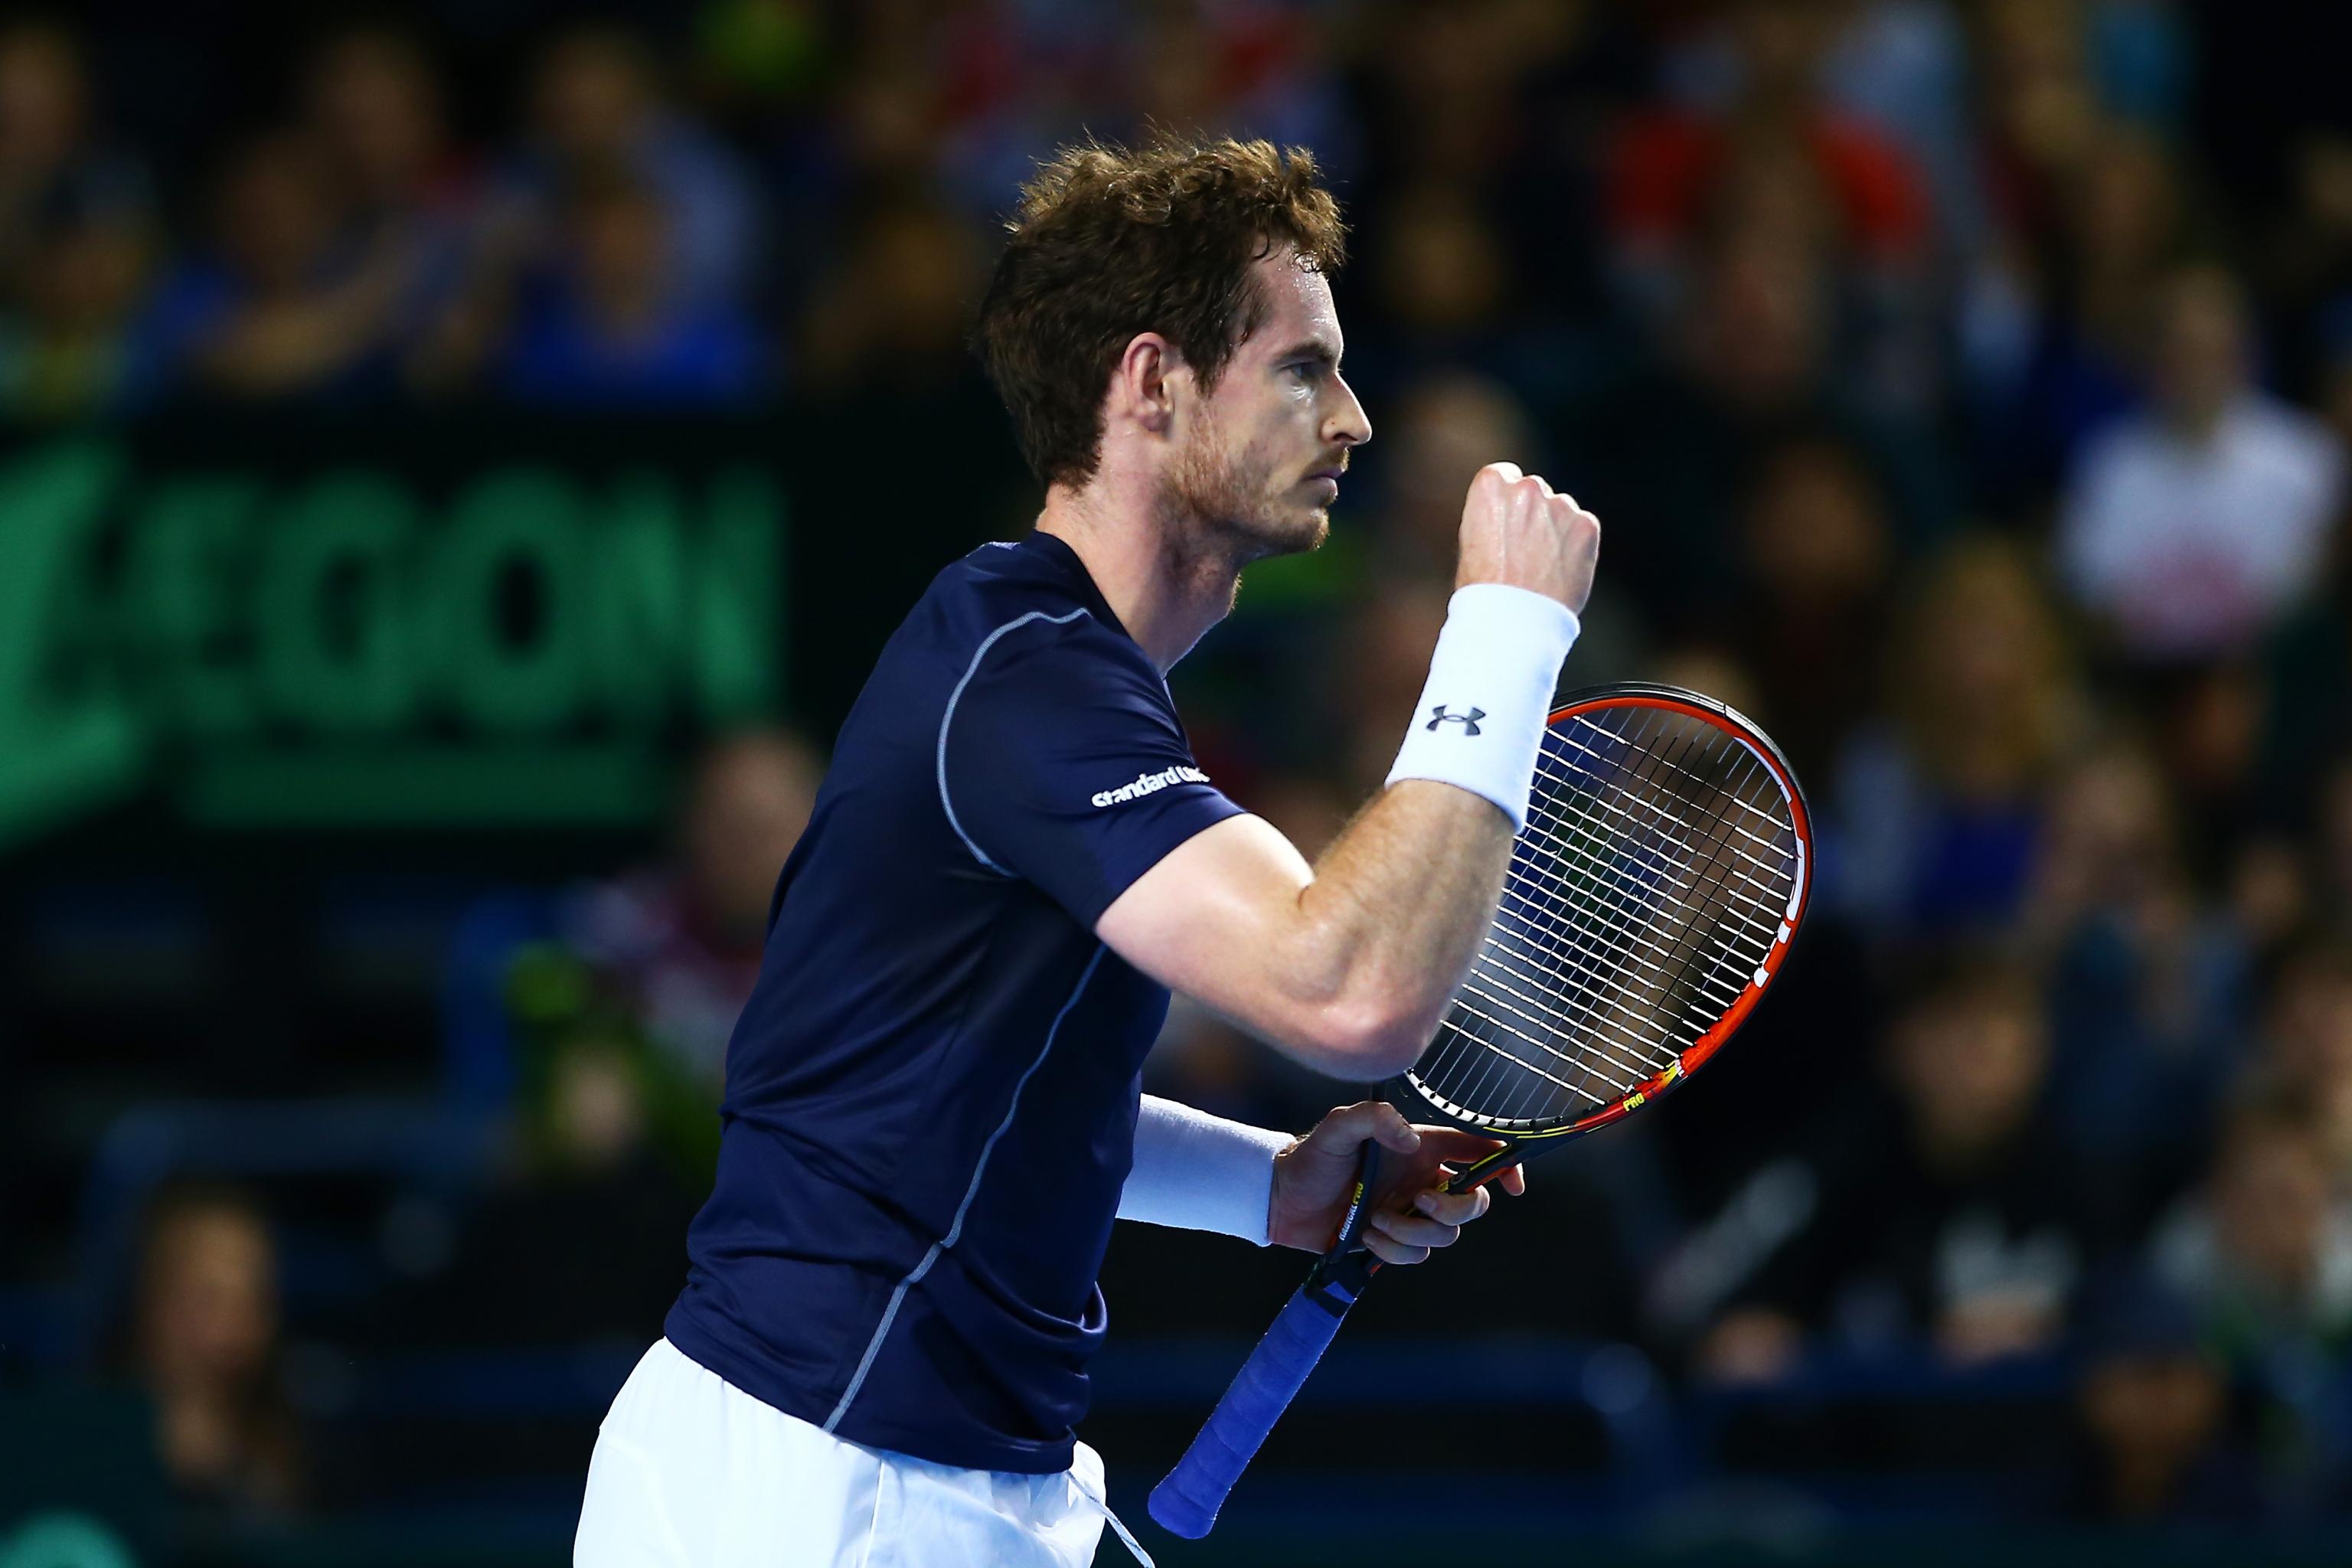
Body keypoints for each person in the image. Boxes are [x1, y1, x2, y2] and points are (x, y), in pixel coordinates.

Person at [573, 134, 1600, 1566]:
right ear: (1151, 385)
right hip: (820, 1482)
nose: (1355, 418)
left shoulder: (1044, 673)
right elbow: (1351, 992)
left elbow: (973, 1102)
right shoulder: (1023, 676)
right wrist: (1507, 628)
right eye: (1303, 366)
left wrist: (1268, 1187)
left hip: (927, 1473)